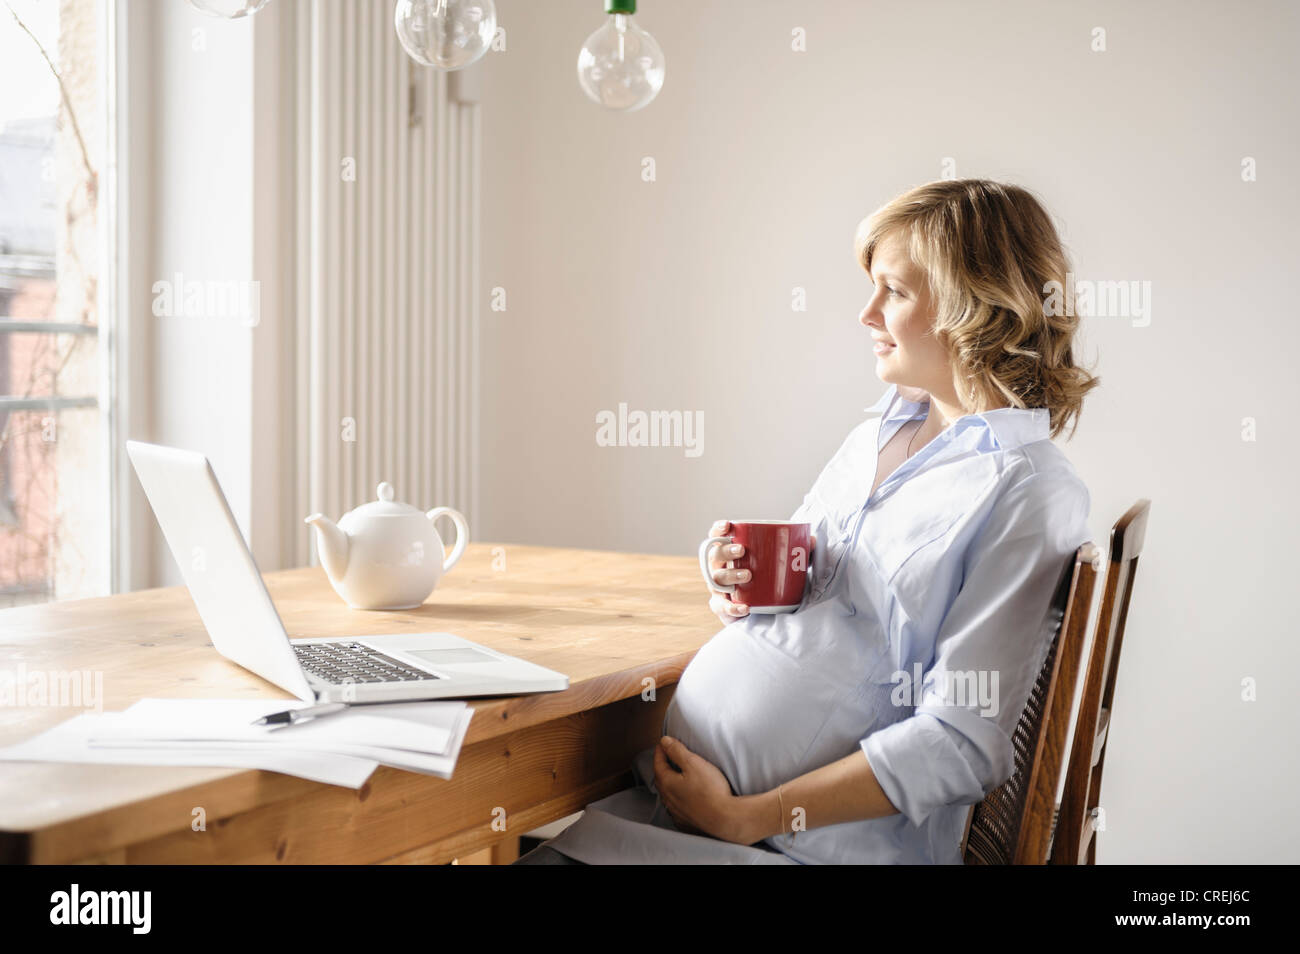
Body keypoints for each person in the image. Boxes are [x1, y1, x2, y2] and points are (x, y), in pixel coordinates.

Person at [515, 178, 1099, 865]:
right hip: (680, 816)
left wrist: (745, 815)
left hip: (796, 847)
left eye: (895, 291)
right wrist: (737, 580)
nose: (866, 314)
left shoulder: (1028, 491)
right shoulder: (877, 436)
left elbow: (961, 740)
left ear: (975, 309)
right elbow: (810, 600)